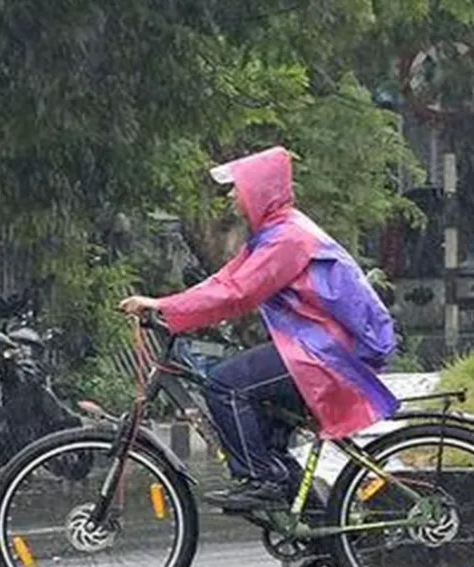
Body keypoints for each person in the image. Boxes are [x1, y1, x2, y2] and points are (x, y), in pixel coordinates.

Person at [120, 146, 399, 512]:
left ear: (260, 189)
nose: (233, 195)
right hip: (317, 345)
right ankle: (318, 531)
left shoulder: (288, 238)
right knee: (267, 438)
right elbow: (226, 280)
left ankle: (259, 480)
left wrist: (166, 308)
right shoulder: (273, 234)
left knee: (225, 384)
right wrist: (168, 305)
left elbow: (238, 292)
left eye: (238, 187)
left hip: (329, 351)